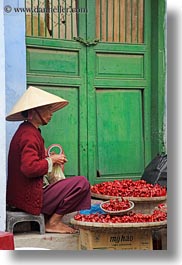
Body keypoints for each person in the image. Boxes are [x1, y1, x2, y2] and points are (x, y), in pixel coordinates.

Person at [6, 86, 91, 234]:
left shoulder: (29, 131)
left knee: (72, 183)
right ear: (33, 113)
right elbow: (29, 168)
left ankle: (52, 220)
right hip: (29, 197)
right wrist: (51, 160)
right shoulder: (28, 135)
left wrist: (51, 163)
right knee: (81, 183)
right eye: (47, 109)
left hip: (27, 194)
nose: (51, 114)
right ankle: (53, 222)